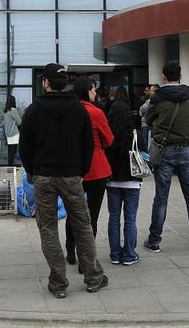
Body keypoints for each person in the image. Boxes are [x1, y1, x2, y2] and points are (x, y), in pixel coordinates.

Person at [19, 63, 107, 299]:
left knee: (48, 229)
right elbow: (88, 145)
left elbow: (24, 146)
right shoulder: (78, 110)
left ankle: (58, 283)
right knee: (83, 225)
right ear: (64, 83)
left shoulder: (33, 110)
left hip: (43, 176)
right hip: (72, 176)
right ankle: (93, 277)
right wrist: (82, 171)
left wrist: (32, 170)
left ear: (45, 83)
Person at [144, 62, 189, 253]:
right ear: (180, 75)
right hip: (187, 149)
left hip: (165, 150)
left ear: (164, 77)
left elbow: (147, 119)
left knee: (161, 197)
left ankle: (154, 241)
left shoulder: (158, 97)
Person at [64, 76, 113, 269]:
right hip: (96, 167)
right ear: (88, 91)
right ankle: (86, 258)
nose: (95, 93)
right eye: (93, 90)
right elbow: (108, 139)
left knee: (72, 211)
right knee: (91, 215)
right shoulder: (96, 112)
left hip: (72, 168)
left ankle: (70, 248)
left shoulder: (69, 111)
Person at [104, 86, 141, 266]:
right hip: (132, 181)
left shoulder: (108, 136)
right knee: (130, 219)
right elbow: (144, 155)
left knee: (113, 219)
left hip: (112, 181)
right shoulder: (135, 134)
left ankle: (115, 254)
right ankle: (129, 254)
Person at [2, 95, 22, 166]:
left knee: (10, 150)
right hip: (14, 133)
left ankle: (9, 166)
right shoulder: (13, 110)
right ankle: (10, 167)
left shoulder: (5, 111)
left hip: (7, 133)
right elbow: (19, 122)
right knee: (13, 151)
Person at [138, 84, 158, 148]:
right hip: (151, 125)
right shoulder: (149, 100)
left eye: (150, 90)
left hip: (147, 125)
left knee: (146, 144)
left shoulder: (150, 101)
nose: (149, 92)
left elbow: (140, 112)